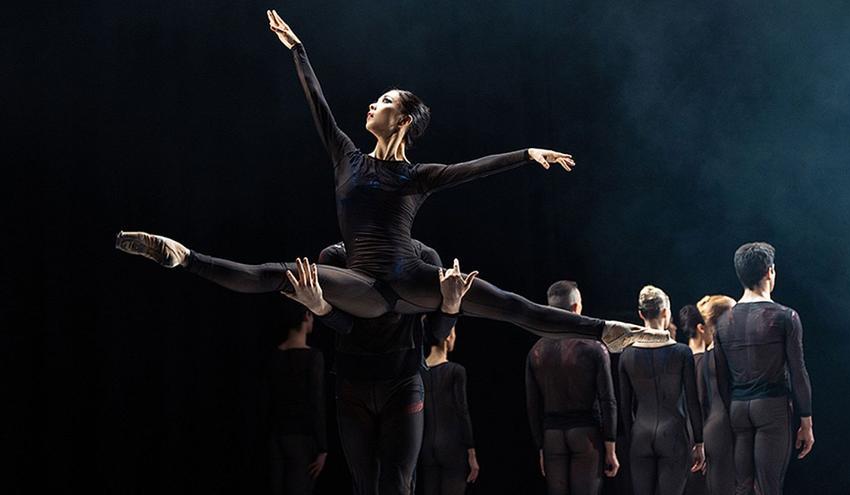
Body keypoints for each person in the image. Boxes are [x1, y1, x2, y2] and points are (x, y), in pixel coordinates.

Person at [114, 9, 671, 351]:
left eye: (383, 101)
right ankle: (181, 255)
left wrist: (527, 153)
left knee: (511, 306)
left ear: (401, 119)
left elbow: (472, 169)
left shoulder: (417, 176)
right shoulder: (347, 157)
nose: (372, 105)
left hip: (412, 275)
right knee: (280, 274)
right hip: (363, 288)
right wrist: (299, 51)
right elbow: (319, 107)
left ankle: (610, 332)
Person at [281, 241, 467, 495]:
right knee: (365, 486)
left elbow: (437, 332)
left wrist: (451, 304)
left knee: (398, 486)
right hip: (353, 384)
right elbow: (346, 326)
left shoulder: (422, 255)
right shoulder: (336, 255)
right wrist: (320, 307)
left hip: (401, 382)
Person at [713, 242, 814, 495]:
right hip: (771, 407)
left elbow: (720, 377)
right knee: (769, 487)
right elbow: (798, 371)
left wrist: (730, 413)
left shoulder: (723, 321)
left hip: (737, 408)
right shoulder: (784, 316)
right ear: (770, 271)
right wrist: (806, 422)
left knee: (742, 488)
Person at [525, 280, 620, 495]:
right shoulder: (593, 347)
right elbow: (608, 400)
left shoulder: (536, 351)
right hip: (585, 435)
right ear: (576, 307)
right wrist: (610, 446)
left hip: (552, 437)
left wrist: (541, 447)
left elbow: (533, 405)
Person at [619, 286, 705, 495]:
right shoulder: (682, 353)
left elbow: (624, 406)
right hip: (673, 434)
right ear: (666, 311)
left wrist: (633, 440)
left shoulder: (626, 355)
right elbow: (693, 401)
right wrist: (700, 443)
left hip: (640, 435)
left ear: (641, 314)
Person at [267, 302, 327, 495]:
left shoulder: (273, 356)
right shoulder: (312, 358)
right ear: (306, 316)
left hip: (275, 437)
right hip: (302, 439)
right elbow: (316, 403)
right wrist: (323, 447)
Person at [419, 325, 480, 495]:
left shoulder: (418, 373)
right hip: (452, 447)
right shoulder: (456, 371)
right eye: (453, 333)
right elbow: (462, 411)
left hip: (426, 448)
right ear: (447, 337)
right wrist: (471, 452)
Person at [694, 295, 736, 495]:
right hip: (731, 427)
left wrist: (699, 442)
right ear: (727, 318)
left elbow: (701, 401)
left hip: (711, 430)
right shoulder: (730, 354)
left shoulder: (702, 358)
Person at [677, 305, 708, 495]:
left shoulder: (676, 358)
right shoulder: (706, 361)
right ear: (700, 328)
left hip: (678, 435)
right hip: (701, 435)